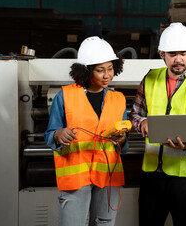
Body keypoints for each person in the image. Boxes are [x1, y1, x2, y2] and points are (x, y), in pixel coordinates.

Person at [130, 22, 186, 226]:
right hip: (151, 174)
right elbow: (135, 114)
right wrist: (142, 124)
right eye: (172, 54)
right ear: (162, 54)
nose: (178, 59)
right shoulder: (150, 78)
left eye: (183, 53)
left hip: (184, 176)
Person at [44, 36, 128, 226]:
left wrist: (122, 139)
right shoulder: (64, 96)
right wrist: (58, 135)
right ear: (86, 71)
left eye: (110, 68)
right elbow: (50, 133)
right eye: (100, 70)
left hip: (107, 175)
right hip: (76, 177)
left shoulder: (119, 99)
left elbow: (124, 140)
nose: (107, 75)